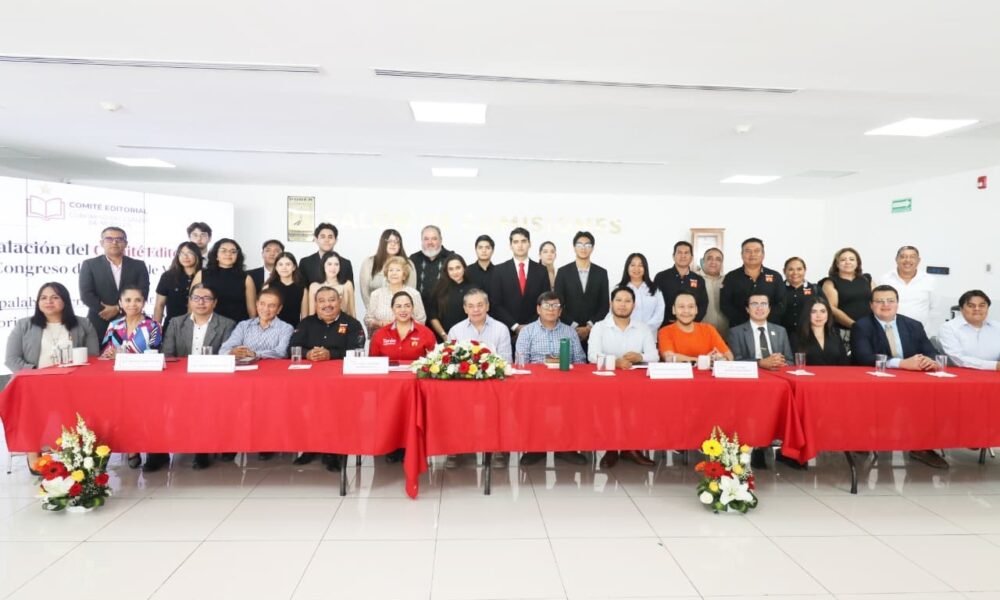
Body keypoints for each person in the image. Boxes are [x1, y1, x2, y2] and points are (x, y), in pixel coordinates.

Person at [5, 283, 99, 472]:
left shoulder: (83, 324)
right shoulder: (24, 325)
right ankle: (34, 454)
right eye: (44, 297)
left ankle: (77, 453)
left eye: (55, 297)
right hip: (34, 383)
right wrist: (37, 373)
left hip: (71, 383)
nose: (49, 301)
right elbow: (11, 359)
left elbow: (93, 357)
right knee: (28, 404)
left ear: (65, 301)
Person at [851, 284, 945, 469]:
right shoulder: (861, 326)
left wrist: (930, 361)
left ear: (897, 303)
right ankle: (867, 441)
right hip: (876, 382)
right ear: (871, 305)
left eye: (890, 301)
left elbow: (931, 351)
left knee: (934, 398)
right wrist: (901, 363)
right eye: (879, 301)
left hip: (912, 382)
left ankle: (921, 447)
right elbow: (863, 357)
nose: (885, 305)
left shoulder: (913, 325)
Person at [289, 286, 366, 469]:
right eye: (321, 301)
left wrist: (330, 354)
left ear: (340, 301)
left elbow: (358, 351)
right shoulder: (306, 323)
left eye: (331, 300)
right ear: (316, 304)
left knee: (334, 410)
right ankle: (310, 447)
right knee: (304, 407)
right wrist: (307, 354)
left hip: (339, 383)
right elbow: (292, 348)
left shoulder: (352, 324)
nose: (327, 305)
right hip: (309, 382)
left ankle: (333, 452)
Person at [514, 290, 588, 467]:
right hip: (535, 384)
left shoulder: (570, 332)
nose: (551, 309)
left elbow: (580, 360)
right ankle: (535, 448)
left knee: (574, 402)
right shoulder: (527, 332)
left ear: (560, 311)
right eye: (547, 306)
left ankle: (566, 448)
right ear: (538, 309)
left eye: (556, 306)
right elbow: (521, 362)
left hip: (566, 382)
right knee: (532, 403)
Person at [445, 287, 516, 469]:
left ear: (487, 306)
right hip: (464, 384)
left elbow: (506, 361)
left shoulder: (501, 329)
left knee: (502, 398)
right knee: (451, 399)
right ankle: (457, 448)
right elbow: (450, 362)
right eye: (471, 306)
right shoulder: (456, 330)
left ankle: (500, 448)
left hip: (494, 383)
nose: (475, 310)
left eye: (480, 305)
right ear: (465, 309)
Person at [588, 287, 659, 468]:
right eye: (618, 300)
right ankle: (611, 449)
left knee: (639, 407)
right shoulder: (599, 327)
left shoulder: (643, 328)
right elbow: (592, 355)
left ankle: (631, 449)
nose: (622, 305)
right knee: (610, 407)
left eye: (627, 301)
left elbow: (654, 356)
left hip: (635, 383)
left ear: (634, 305)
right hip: (607, 382)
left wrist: (640, 356)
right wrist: (615, 362)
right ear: (611, 303)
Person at [100, 285, 164, 472]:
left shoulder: (153, 326)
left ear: (144, 302)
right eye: (128, 300)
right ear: (120, 303)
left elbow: (153, 354)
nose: (132, 304)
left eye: (137, 300)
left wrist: (123, 354)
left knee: (140, 411)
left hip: (145, 380)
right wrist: (114, 355)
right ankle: (125, 449)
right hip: (117, 380)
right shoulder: (113, 326)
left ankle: (139, 448)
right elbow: (106, 354)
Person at [79, 226, 150, 339]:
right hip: (99, 321)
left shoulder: (138, 265)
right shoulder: (90, 265)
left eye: (119, 239)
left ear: (126, 243)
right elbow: (86, 294)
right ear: (102, 243)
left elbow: (143, 292)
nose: (114, 242)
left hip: (131, 322)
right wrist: (105, 310)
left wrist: (118, 308)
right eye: (109, 239)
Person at [489, 228, 550, 338]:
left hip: (536, 330)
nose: (520, 245)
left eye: (523, 241)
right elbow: (496, 304)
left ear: (529, 244)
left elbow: (545, 302)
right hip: (506, 331)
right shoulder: (499, 270)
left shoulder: (541, 270)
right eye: (516, 242)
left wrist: (529, 326)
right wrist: (515, 326)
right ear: (511, 245)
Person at [554, 231, 610, 347]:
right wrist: (574, 325)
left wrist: (589, 327)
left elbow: (604, 305)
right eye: (579, 245)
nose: (583, 248)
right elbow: (558, 304)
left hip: (594, 332)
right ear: (574, 247)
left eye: (587, 245)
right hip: (567, 329)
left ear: (592, 248)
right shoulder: (563, 272)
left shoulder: (601, 273)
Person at [720, 237, 784, 329]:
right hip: (740, 328)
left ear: (763, 254)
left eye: (757, 251)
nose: (752, 254)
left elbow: (781, 304)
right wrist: (748, 321)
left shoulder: (775, 276)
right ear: (742, 255)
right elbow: (725, 304)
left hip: (770, 327)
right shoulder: (731, 277)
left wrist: (762, 320)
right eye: (748, 251)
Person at [162, 284, 236, 358]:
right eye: (196, 298)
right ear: (190, 301)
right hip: (182, 366)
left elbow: (226, 356)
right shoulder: (176, 323)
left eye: (206, 298)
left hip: (212, 366)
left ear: (214, 302)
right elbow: (167, 356)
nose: (201, 302)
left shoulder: (227, 325)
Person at [191, 238, 256, 323]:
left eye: (233, 252)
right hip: (208, 326)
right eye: (223, 251)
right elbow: (192, 303)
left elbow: (252, 311)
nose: (228, 254)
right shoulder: (201, 275)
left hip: (238, 326)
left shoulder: (246, 278)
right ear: (216, 255)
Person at [657, 291, 733, 363]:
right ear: (674, 310)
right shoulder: (665, 331)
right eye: (681, 306)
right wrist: (704, 360)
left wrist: (720, 358)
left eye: (691, 306)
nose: (686, 311)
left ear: (696, 310)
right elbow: (669, 357)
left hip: (706, 373)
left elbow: (729, 356)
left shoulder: (708, 329)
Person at [220, 288, 295, 359]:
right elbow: (224, 350)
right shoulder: (243, 326)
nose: (266, 309)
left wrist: (255, 354)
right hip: (245, 366)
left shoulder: (286, 328)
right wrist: (231, 352)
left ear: (279, 309)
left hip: (272, 367)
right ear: (257, 304)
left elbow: (282, 352)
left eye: (271, 306)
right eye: (262, 304)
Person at [727, 293, 794, 370]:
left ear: (769, 309)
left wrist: (781, 363)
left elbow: (789, 360)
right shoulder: (736, 332)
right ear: (747, 309)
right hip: (752, 374)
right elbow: (735, 361)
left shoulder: (780, 331)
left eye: (764, 304)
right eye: (754, 304)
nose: (759, 308)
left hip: (776, 372)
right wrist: (760, 363)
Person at [880, 245, 936, 332]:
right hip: (890, 332)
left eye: (912, 257)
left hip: (920, 332)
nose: (907, 260)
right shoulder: (885, 279)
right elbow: (879, 306)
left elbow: (934, 308)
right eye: (903, 257)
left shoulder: (929, 280)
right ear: (896, 259)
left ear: (918, 260)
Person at [939, 290, 1000, 370]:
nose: (977, 309)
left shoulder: (997, 327)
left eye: (982, 306)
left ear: (987, 308)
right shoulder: (949, 328)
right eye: (971, 306)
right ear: (961, 309)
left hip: (995, 373)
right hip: (963, 374)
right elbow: (958, 359)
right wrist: (995, 365)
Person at [365, 256, 425, 334]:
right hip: (382, 336)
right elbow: (368, 320)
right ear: (386, 274)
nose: (394, 273)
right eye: (391, 270)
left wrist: (403, 325)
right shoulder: (376, 294)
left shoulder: (414, 294)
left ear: (404, 275)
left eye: (398, 270)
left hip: (408, 336)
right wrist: (380, 324)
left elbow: (421, 321)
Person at [370, 291, 437, 360]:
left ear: (412, 308)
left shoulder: (427, 333)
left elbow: (436, 361)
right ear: (392, 309)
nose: (403, 310)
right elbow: (372, 363)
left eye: (407, 306)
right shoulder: (380, 334)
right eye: (398, 306)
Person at [359, 228, 416, 309]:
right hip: (375, 311)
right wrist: (372, 311)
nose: (393, 244)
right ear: (382, 243)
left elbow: (411, 292)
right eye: (389, 241)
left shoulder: (408, 264)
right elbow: (365, 292)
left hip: (401, 312)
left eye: (396, 241)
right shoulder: (369, 263)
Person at [654, 241, 708, 326]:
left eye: (686, 253)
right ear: (673, 256)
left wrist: (690, 322)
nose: (683, 256)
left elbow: (703, 304)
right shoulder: (661, 277)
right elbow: (655, 303)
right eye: (679, 252)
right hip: (666, 325)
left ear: (691, 257)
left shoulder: (699, 279)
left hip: (691, 326)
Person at [822, 247, 873, 335]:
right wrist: (855, 325)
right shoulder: (830, 283)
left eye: (852, 259)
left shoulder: (867, 279)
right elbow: (832, 308)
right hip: (844, 331)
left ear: (857, 263)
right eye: (843, 260)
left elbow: (877, 301)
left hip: (870, 328)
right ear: (837, 264)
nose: (847, 262)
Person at [153, 241, 202, 334]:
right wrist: (155, 332)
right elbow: (159, 305)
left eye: (190, 253)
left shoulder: (206, 276)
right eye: (182, 253)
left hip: (198, 327)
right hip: (172, 327)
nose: (185, 257)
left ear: (197, 255)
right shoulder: (168, 276)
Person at [428, 254, 476, 341]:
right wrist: (444, 336)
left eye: (458, 268)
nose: (455, 272)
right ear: (446, 271)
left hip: (468, 338)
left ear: (464, 268)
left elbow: (477, 315)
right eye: (451, 269)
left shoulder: (473, 289)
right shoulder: (439, 288)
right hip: (443, 337)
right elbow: (433, 316)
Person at [618, 252, 665, 332]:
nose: (636, 269)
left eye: (640, 265)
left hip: (649, 334)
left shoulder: (655, 289)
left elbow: (659, 313)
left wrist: (644, 330)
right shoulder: (618, 289)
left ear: (645, 268)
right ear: (627, 267)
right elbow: (613, 313)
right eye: (633, 265)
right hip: (624, 334)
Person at [794, 297, 848, 365]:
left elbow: (844, 361)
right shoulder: (796, 336)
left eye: (823, 311)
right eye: (813, 312)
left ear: (828, 314)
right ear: (807, 314)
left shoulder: (835, 334)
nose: (818, 316)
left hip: (835, 372)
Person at [410, 225, 451, 307]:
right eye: (426, 239)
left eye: (434, 239)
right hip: (418, 309)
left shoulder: (451, 258)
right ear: (422, 241)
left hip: (445, 309)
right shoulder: (413, 259)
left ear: (441, 240)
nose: (430, 242)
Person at [263, 252, 308, 327]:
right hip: (272, 329)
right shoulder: (268, 287)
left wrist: (301, 331)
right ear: (276, 267)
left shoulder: (302, 289)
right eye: (280, 264)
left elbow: (304, 317)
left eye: (288, 264)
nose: (284, 267)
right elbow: (263, 313)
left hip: (294, 329)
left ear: (294, 267)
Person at [781, 256, 822, 336]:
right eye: (791, 269)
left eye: (799, 269)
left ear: (805, 270)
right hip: (783, 336)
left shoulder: (815, 289)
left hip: (810, 336)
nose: (795, 273)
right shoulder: (778, 289)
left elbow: (826, 312)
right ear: (784, 271)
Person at [308, 252, 357, 318]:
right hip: (320, 323)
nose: (333, 268)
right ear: (323, 265)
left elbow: (352, 313)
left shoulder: (347, 285)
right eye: (329, 264)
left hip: (343, 323)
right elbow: (311, 315)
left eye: (336, 264)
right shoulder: (314, 287)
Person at [700, 247, 729, 339]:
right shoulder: (695, 280)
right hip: (701, 333)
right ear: (703, 261)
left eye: (718, 259)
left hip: (725, 335)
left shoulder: (728, 280)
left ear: (722, 263)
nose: (713, 262)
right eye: (709, 258)